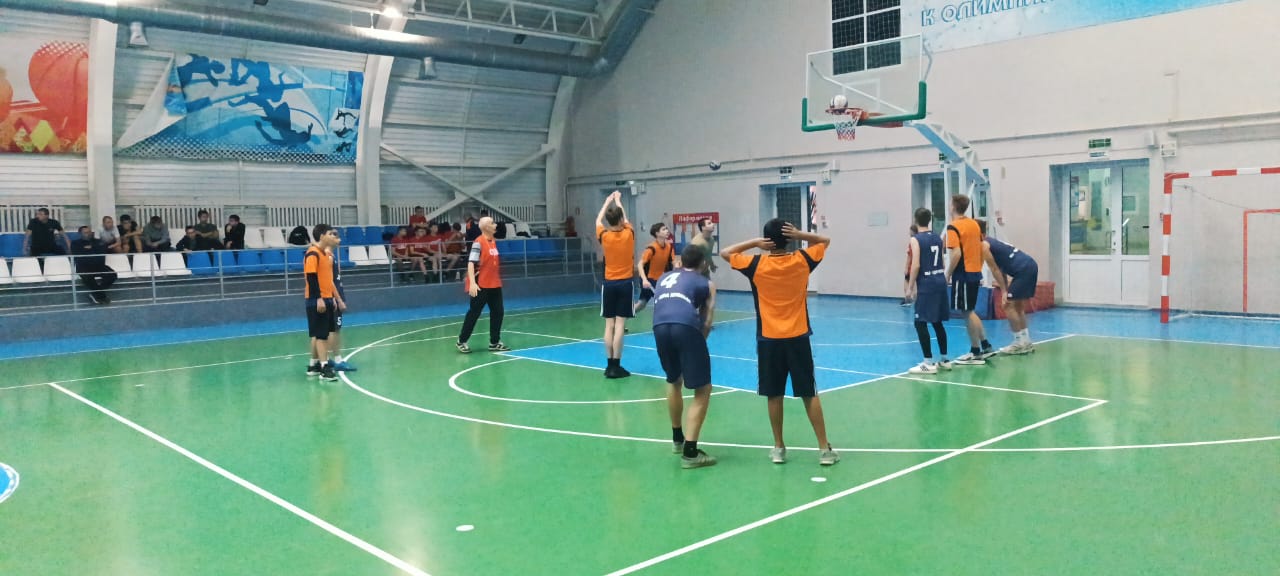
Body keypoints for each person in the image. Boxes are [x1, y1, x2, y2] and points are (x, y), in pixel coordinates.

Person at [721, 219, 839, 466]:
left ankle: (778, 447)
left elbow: (726, 252)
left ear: (767, 241)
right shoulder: (802, 260)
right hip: (798, 337)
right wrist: (800, 235)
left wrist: (755, 243)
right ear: (789, 239)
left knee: (774, 394)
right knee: (809, 393)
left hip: (769, 339)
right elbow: (825, 241)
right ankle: (824, 449)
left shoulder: (756, 264)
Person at [653, 244, 718, 469]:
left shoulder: (663, 278)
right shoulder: (706, 283)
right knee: (703, 388)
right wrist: (700, 342)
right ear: (703, 264)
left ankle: (677, 439)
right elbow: (707, 319)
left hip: (659, 326)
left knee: (673, 380)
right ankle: (691, 453)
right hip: (685, 326)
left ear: (681, 262)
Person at [977, 219, 1039, 355]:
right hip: (1029, 266)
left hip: (1023, 270)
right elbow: (1001, 269)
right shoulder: (992, 242)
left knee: (1008, 305)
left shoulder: (983, 245)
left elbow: (994, 269)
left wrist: (1004, 291)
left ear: (979, 234)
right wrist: (1004, 288)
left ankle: (1018, 343)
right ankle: (1025, 341)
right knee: (1017, 306)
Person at [944, 194, 993, 365]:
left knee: (967, 312)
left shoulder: (953, 227)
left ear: (953, 206)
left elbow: (956, 253)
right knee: (970, 310)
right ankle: (985, 345)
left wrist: (948, 273)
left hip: (963, 273)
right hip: (974, 272)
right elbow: (981, 247)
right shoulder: (974, 224)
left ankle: (975, 351)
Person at [905, 209, 951, 374]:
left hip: (927, 283)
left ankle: (928, 362)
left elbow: (916, 264)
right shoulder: (937, 237)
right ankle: (945, 359)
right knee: (937, 321)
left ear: (915, 220)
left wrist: (910, 287)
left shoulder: (915, 239)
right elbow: (942, 262)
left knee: (920, 322)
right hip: (940, 280)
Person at [456, 216, 510, 353]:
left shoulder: (493, 241)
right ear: (486, 227)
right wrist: (472, 283)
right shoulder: (478, 243)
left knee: (498, 312)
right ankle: (461, 341)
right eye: (492, 223)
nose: (495, 225)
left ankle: (494, 342)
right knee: (474, 313)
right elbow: (471, 263)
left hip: (495, 284)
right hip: (481, 284)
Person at [596, 191, 636, 378]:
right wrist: (618, 201)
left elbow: (598, 220)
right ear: (621, 220)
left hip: (609, 284)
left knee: (609, 325)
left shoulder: (604, 236)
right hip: (625, 283)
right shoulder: (629, 233)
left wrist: (607, 202)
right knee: (620, 325)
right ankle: (617, 365)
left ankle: (609, 365)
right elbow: (625, 218)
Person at [303, 224, 342, 381]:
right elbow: (311, 277)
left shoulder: (325, 254)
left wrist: (331, 297)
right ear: (322, 236)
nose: (333, 236)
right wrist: (319, 298)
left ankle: (314, 366)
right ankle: (324, 368)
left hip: (326, 298)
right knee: (321, 336)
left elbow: (326, 279)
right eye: (330, 234)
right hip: (316, 299)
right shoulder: (313, 254)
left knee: (322, 334)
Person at [326, 237, 357, 372]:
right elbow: (327, 280)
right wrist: (337, 299)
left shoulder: (332, 255)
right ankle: (336, 360)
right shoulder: (328, 256)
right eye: (335, 236)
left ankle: (326, 359)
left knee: (333, 329)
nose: (338, 239)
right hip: (333, 297)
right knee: (334, 329)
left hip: (334, 295)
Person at [633, 222, 675, 314]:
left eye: (666, 229)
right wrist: (644, 280)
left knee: (642, 304)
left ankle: (621, 317)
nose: (667, 231)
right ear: (657, 233)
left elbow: (673, 262)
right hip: (649, 280)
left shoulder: (669, 247)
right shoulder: (651, 248)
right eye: (663, 229)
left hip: (660, 280)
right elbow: (640, 264)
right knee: (664, 301)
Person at [70, 226, 117, 305]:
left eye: (89, 232)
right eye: (85, 232)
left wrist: (90, 248)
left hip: (99, 265)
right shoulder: (75, 243)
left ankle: (95, 294)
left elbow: (103, 250)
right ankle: (101, 296)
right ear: (80, 234)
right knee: (88, 277)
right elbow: (77, 254)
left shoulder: (98, 241)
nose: (88, 234)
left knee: (112, 275)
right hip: (83, 266)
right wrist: (94, 249)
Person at [901, 223, 918, 307]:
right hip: (916, 267)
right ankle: (912, 301)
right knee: (914, 285)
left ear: (913, 231)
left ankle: (908, 300)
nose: (909, 232)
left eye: (910, 231)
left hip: (912, 267)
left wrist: (906, 268)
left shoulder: (912, 242)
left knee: (908, 285)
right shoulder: (919, 241)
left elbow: (909, 256)